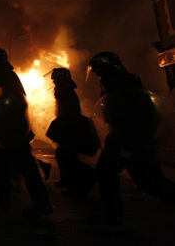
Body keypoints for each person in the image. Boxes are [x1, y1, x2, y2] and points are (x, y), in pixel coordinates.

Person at [88, 52, 175, 224]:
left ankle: (112, 213)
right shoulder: (125, 80)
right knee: (146, 180)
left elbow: (124, 112)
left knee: (144, 180)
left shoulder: (115, 82)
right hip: (129, 137)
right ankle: (112, 212)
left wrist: (121, 131)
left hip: (127, 138)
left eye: (97, 68)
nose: (95, 73)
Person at [0, 47, 52, 217]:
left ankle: (42, 205)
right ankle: (2, 198)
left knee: (27, 170)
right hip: (6, 131)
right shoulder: (4, 76)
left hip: (11, 132)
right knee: (1, 167)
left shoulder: (6, 77)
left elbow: (11, 103)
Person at [45, 68, 97, 197]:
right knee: (64, 155)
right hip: (68, 125)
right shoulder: (67, 89)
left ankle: (78, 182)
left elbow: (66, 111)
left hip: (69, 126)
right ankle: (67, 180)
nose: (54, 82)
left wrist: (59, 126)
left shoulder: (64, 91)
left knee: (66, 156)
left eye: (55, 79)